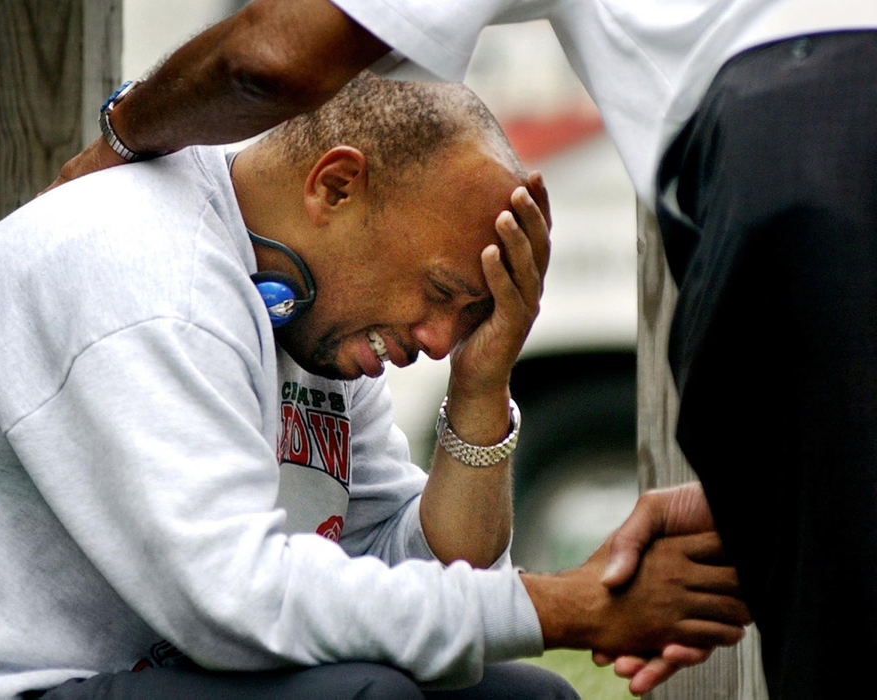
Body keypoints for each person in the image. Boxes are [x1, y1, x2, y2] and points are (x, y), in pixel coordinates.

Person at [49, 1, 877, 696]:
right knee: (371, 695)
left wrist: (481, 388)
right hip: (66, 674)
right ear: (336, 187)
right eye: (441, 293)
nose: (439, 340)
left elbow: (435, 568)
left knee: (527, 696)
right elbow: (231, 604)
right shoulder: (154, 260)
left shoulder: (317, 302)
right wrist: (564, 605)